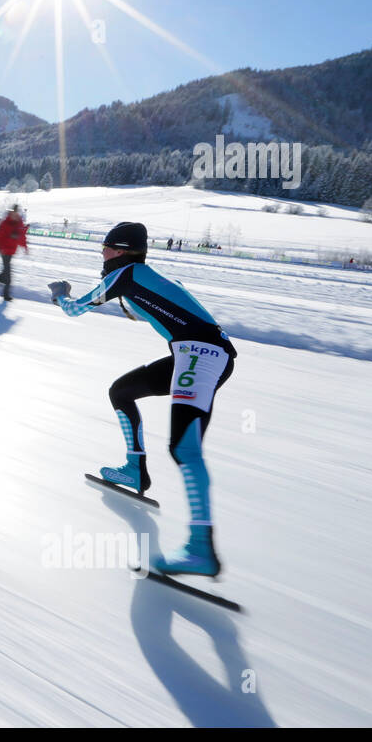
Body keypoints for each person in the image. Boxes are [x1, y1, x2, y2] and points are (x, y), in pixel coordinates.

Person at [47, 222, 237, 577]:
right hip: (193, 352)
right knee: (121, 391)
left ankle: (201, 550)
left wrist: (61, 295)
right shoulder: (139, 276)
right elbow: (151, 308)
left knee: (185, 449)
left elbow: (76, 310)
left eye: (105, 248)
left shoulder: (128, 273)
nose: (101, 254)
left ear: (119, 250)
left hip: (200, 353)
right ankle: (135, 468)